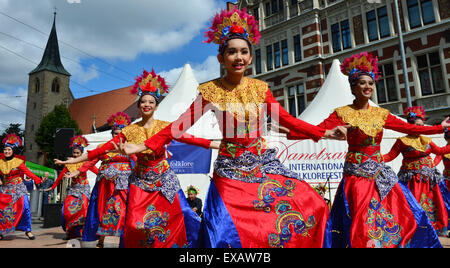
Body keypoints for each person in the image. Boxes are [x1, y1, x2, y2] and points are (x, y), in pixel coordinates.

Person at [118, 9, 348, 248]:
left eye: (243, 52)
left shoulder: (260, 89)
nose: (238, 57)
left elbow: (287, 120)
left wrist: (325, 132)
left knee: (315, 207)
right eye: (232, 52)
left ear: (250, 58)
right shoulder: (210, 92)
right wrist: (143, 145)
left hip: (263, 166)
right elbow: (177, 127)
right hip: (229, 171)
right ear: (221, 58)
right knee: (221, 234)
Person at [285, 52, 449, 248]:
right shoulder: (343, 113)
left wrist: (442, 127)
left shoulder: (381, 114)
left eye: (370, 83)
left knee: (406, 210)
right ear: (353, 87)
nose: (368, 87)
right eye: (362, 83)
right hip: (357, 176)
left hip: (380, 174)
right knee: (362, 217)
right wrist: (291, 132)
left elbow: (411, 128)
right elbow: (319, 130)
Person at [55, 69, 219, 248]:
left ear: (157, 106)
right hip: (139, 181)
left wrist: (217, 144)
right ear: (139, 105)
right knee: (134, 224)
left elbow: (190, 138)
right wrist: (75, 161)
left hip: (164, 178)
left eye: (151, 102)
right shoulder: (129, 131)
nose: (147, 105)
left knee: (185, 214)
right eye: (143, 102)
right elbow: (102, 149)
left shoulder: (164, 127)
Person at [67, 112, 135, 248]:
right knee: (100, 211)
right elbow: (91, 161)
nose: (118, 136)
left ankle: (126, 241)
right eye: (115, 133)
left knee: (122, 211)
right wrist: (77, 170)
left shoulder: (130, 147)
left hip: (122, 185)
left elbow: (138, 161)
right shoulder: (103, 147)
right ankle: (100, 238)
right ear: (112, 134)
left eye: (120, 133)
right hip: (104, 184)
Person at [383, 106, 450, 235]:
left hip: (429, 180)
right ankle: (413, 231)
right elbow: (390, 156)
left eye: (422, 125)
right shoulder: (402, 141)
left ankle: (436, 230)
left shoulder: (427, 140)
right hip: (412, 181)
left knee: (435, 204)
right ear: (410, 125)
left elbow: (440, 151)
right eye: (417, 125)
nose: (420, 128)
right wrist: (375, 156)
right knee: (413, 205)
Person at [47, 135, 98, 240]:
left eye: (77, 153)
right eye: (74, 153)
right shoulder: (69, 165)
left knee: (83, 209)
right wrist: (52, 187)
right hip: (73, 189)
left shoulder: (86, 163)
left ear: (81, 153)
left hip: (84, 188)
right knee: (67, 210)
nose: (75, 155)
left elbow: (98, 172)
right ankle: (70, 233)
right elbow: (60, 177)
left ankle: (83, 232)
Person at [0, 134, 42, 240]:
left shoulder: (18, 162)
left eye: (9, 149)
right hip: (6, 189)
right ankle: (1, 231)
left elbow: (28, 173)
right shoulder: (0, 162)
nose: (7, 151)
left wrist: (39, 180)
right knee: (3, 210)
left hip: (19, 189)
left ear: (13, 150)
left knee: (25, 208)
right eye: (5, 149)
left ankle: (28, 230)